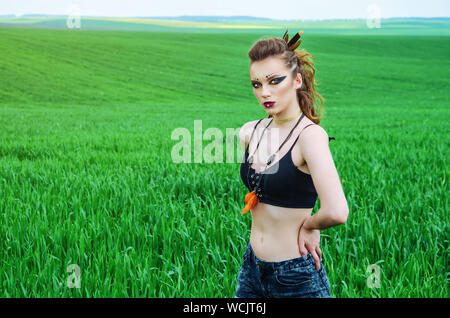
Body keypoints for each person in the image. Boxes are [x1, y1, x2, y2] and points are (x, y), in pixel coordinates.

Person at [235, 29, 349, 298]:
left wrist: (310, 226)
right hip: (252, 269)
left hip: (295, 276)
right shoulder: (249, 132)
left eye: (275, 81)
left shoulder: (310, 137)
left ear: (297, 80)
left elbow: (337, 211)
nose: (265, 92)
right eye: (256, 84)